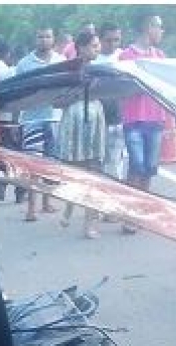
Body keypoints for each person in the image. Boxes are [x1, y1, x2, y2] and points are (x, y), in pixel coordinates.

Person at [119, 13, 167, 234]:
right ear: (149, 27)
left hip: (156, 119)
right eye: (159, 27)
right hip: (134, 119)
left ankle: (143, 212)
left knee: (149, 168)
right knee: (136, 167)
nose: (162, 31)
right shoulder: (126, 56)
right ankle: (130, 214)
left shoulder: (160, 56)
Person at [56, 31, 106, 239]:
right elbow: (55, 101)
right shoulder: (67, 70)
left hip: (95, 120)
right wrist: (76, 92)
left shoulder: (102, 69)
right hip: (74, 122)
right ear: (82, 47)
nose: (98, 49)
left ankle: (89, 224)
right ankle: (68, 206)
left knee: (94, 173)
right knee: (74, 173)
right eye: (94, 46)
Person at [16, 27, 66, 220]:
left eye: (48, 36)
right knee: (32, 166)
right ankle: (31, 208)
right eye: (40, 36)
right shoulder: (24, 64)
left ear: (53, 39)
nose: (44, 40)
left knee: (50, 165)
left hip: (55, 118)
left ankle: (47, 202)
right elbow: (17, 92)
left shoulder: (61, 61)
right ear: (34, 39)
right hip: (32, 120)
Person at [94, 22, 126, 184]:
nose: (112, 44)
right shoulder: (93, 60)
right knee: (97, 163)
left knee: (116, 163)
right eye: (108, 40)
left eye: (116, 40)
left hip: (119, 119)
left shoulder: (124, 58)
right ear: (100, 40)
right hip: (96, 121)